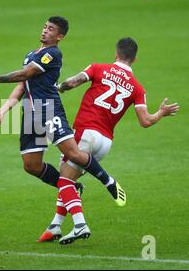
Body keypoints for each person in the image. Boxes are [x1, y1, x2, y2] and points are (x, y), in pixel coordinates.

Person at [0, 16, 124, 244]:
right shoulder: (31, 53)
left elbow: (26, 74)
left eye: (51, 29)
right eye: (44, 26)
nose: (45, 31)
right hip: (30, 113)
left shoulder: (53, 54)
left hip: (49, 109)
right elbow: (22, 85)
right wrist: (3, 109)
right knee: (31, 165)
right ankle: (73, 187)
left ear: (59, 36)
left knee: (72, 154)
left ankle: (107, 180)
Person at [37, 37, 180, 241]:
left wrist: (58, 88)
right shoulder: (137, 88)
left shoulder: (99, 68)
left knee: (64, 180)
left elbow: (72, 82)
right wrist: (161, 113)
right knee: (69, 179)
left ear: (116, 53)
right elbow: (146, 121)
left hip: (86, 132)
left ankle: (80, 225)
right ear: (134, 59)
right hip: (105, 142)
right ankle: (56, 226)